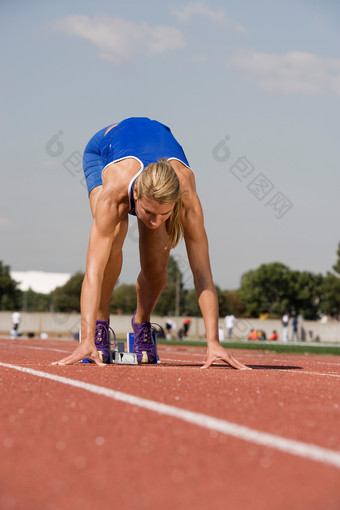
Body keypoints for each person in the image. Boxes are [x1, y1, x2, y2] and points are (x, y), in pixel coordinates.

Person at [52, 117, 250, 370]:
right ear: (135, 195)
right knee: (114, 238)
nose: (155, 222)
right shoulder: (115, 193)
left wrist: (213, 341)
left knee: (156, 265)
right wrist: (86, 336)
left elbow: (201, 273)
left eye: (164, 214)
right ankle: (100, 326)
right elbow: (94, 271)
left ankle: (142, 322)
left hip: (155, 145)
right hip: (103, 151)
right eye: (149, 213)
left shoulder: (188, 200)